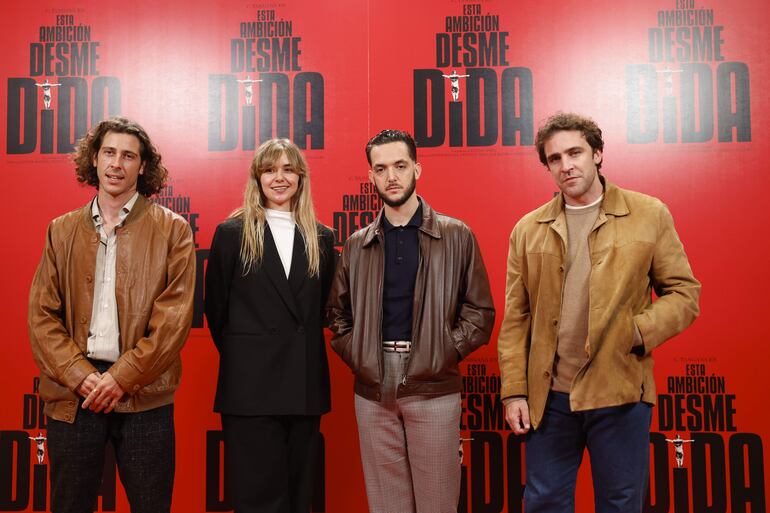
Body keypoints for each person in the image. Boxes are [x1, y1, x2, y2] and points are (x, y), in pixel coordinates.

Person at [497, 112, 701, 513]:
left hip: (620, 390)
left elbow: (684, 293)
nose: (566, 165)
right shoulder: (528, 228)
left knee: (621, 504)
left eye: (575, 152)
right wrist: (514, 391)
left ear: (598, 154)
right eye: (554, 158)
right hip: (549, 397)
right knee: (543, 502)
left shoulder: (649, 214)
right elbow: (516, 319)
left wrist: (637, 331)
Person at [28, 116, 196, 513]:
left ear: (143, 166)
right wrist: (81, 376)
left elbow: (173, 322)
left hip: (145, 397)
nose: (116, 164)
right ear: (94, 159)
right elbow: (41, 318)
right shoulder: (61, 230)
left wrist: (120, 378)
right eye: (108, 153)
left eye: (128, 155)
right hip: (74, 396)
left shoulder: (174, 231)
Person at [327, 129, 495, 513]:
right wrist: (361, 357)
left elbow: (480, 312)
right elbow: (338, 315)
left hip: (434, 381)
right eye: (381, 168)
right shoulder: (357, 243)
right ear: (370, 177)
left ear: (417, 168)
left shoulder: (456, 234)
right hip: (372, 386)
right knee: (387, 505)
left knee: (438, 502)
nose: (392, 176)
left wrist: (443, 352)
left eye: (400, 165)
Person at [205, 138, 336, 513]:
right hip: (250, 391)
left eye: (288, 169)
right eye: (269, 169)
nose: (279, 178)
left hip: (303, 387)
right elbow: (216, 312)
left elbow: (324, 308)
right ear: (257, 178)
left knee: (300, 498)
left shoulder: (322, 238)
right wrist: (251, 355)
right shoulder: (231, 234)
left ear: (301, 177)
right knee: (257, 500)